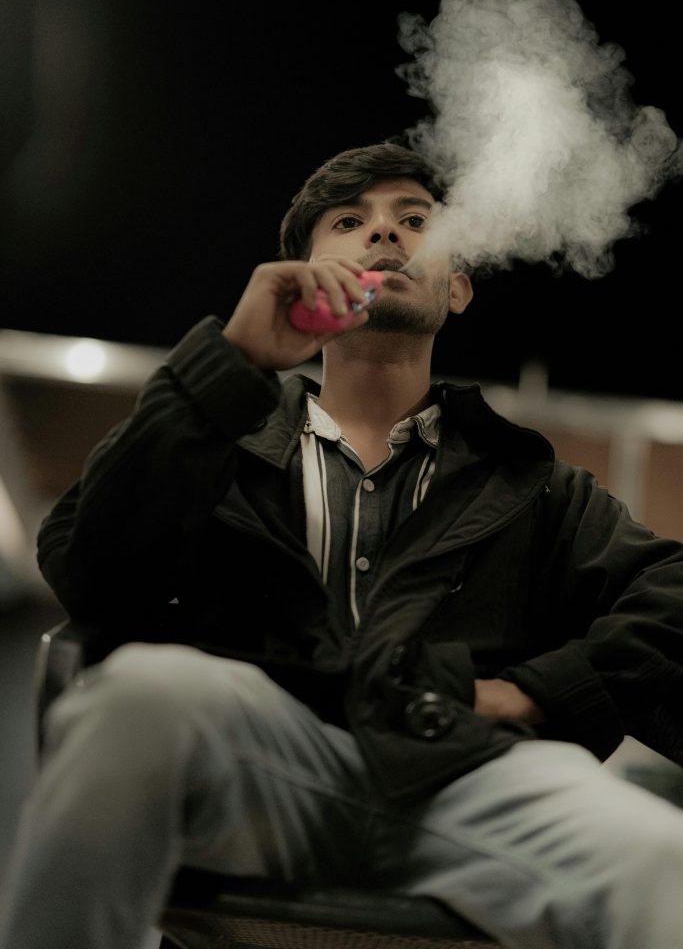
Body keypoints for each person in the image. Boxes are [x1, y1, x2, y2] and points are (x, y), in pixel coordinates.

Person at [1, 141, 682, 949]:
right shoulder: (215, 438)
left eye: (416, 221)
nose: (384, 234)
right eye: (350, 222)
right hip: (258, 771)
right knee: (147, 690)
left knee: (659, 857)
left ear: (457, 286)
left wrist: (540, 691)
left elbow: (670, 591)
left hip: (461, 777)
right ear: (300, 270)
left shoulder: (534, 486)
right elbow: (87, 564)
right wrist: (236, 363)